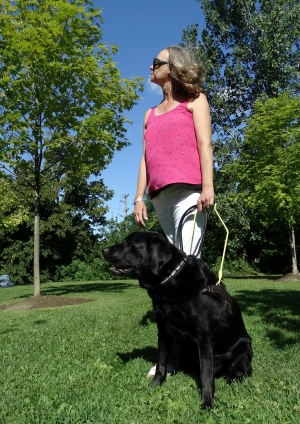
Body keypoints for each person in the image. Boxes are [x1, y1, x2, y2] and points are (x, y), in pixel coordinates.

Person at [133, 45, 214, 377]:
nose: (151, 67)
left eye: (156, 62)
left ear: (173, 67)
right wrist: (139, 196)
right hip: (160, 197)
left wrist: (208, 187)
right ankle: (176, 354)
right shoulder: (149, 115)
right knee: (168, 278)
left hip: (190, 193)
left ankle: (196, 350)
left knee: (185, 273)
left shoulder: (195, 101)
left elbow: (205, 144)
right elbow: (145, 158)